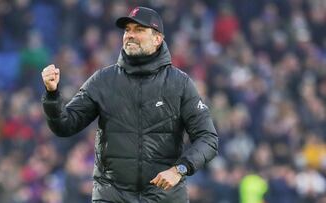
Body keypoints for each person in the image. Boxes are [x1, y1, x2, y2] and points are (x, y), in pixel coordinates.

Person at [41, 6, 218, 203]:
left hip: (164, 197)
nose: (130, 35)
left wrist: (180, 169)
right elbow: (64, 125)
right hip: (112, 195)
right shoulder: (103, 80)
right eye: (127, 30)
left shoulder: (180, 84)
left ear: (157, 39)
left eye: (139, 30)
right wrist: (52, 94)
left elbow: (208, 138)